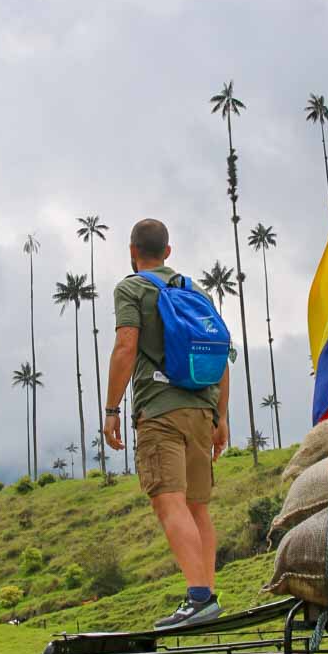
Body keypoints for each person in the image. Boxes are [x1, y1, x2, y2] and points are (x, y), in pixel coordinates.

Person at [104, 218, 230, 630]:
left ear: (132, 251)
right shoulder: (198, 292)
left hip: (160, 411)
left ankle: (199, 597)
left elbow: (126, 346)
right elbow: (221, 357)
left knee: (168, 501)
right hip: (201, 412)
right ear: (169, 252)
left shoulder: (132, 288)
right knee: (198, 506)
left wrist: (111, 409)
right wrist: (220, 416)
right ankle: (206, 595)